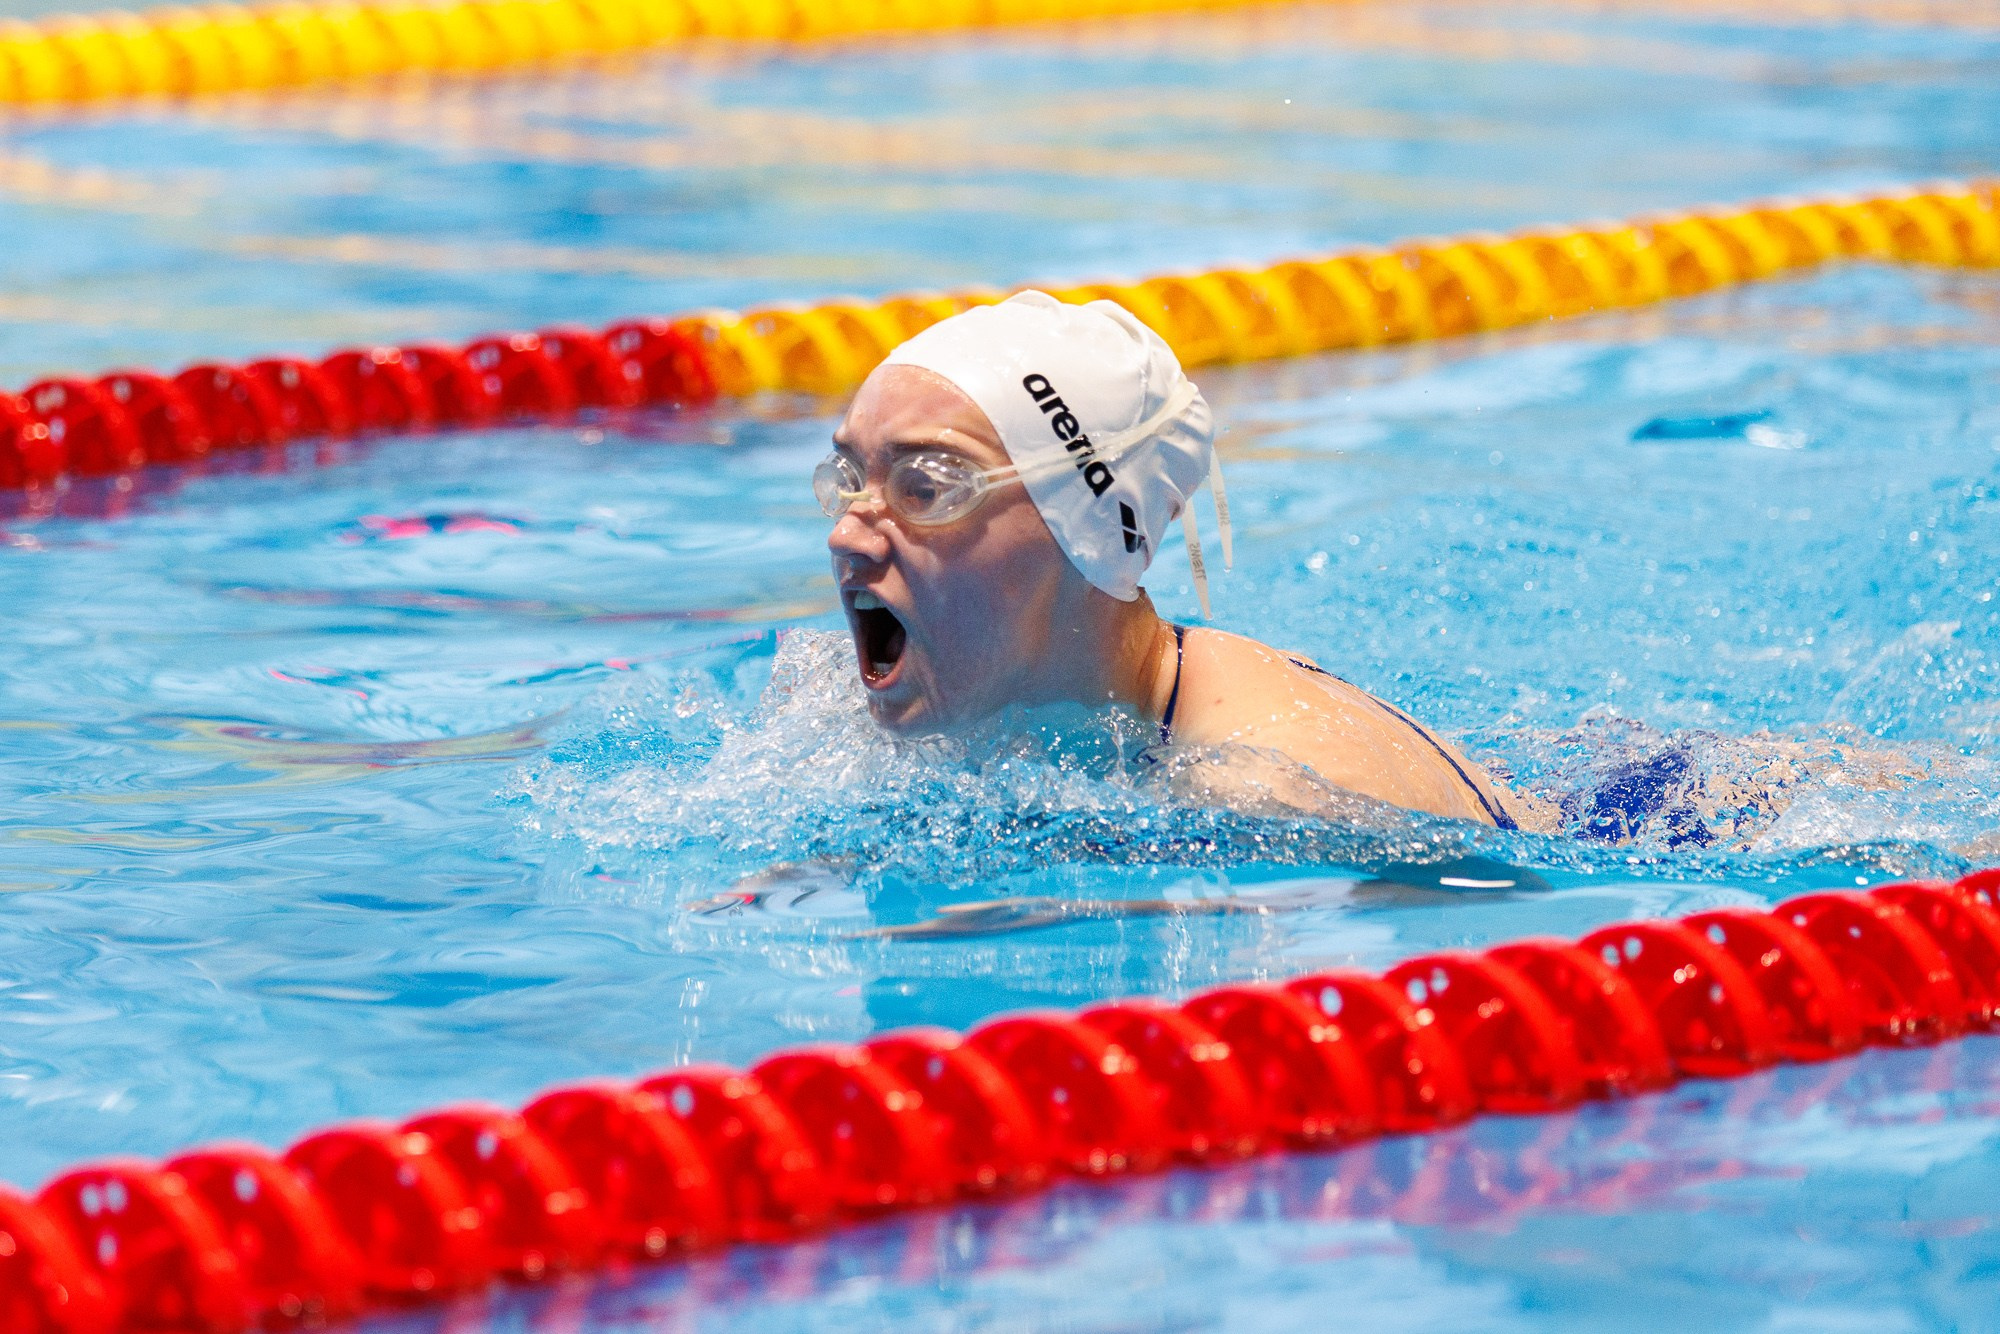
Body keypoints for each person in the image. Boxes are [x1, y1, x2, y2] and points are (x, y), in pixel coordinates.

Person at [816, 289, 1542, 831]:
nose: (849, 535)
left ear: (1091, 532)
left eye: (928, 488)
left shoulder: (1276, 798)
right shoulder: (913, 696)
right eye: (848, 480)